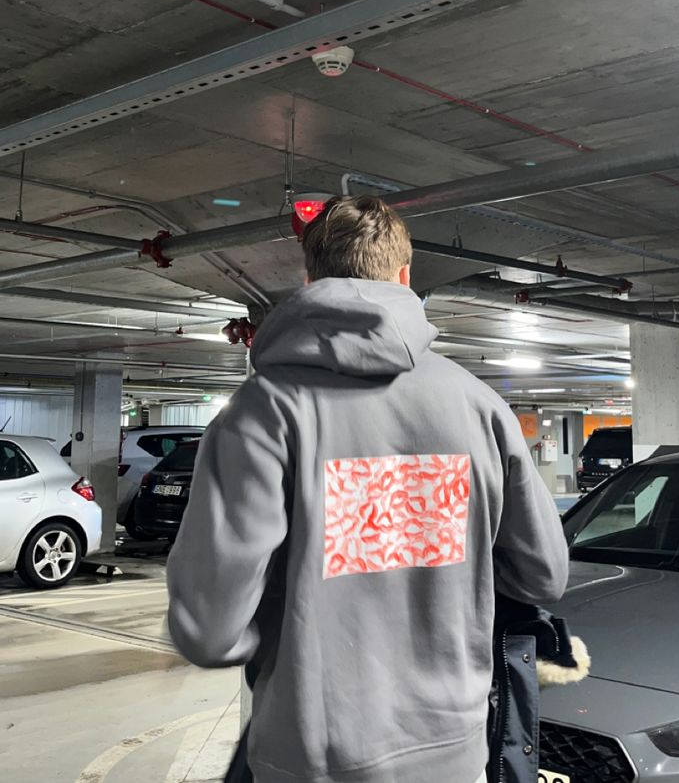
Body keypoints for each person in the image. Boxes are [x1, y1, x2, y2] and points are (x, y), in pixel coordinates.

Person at [167, 196, 569, 783]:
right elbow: (543, 575)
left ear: (309, 276)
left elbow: (208, 630)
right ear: (405, 276)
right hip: (455, 752)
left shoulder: (263, 412)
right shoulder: (479, 406)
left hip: (311, 756)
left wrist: (289, 625)